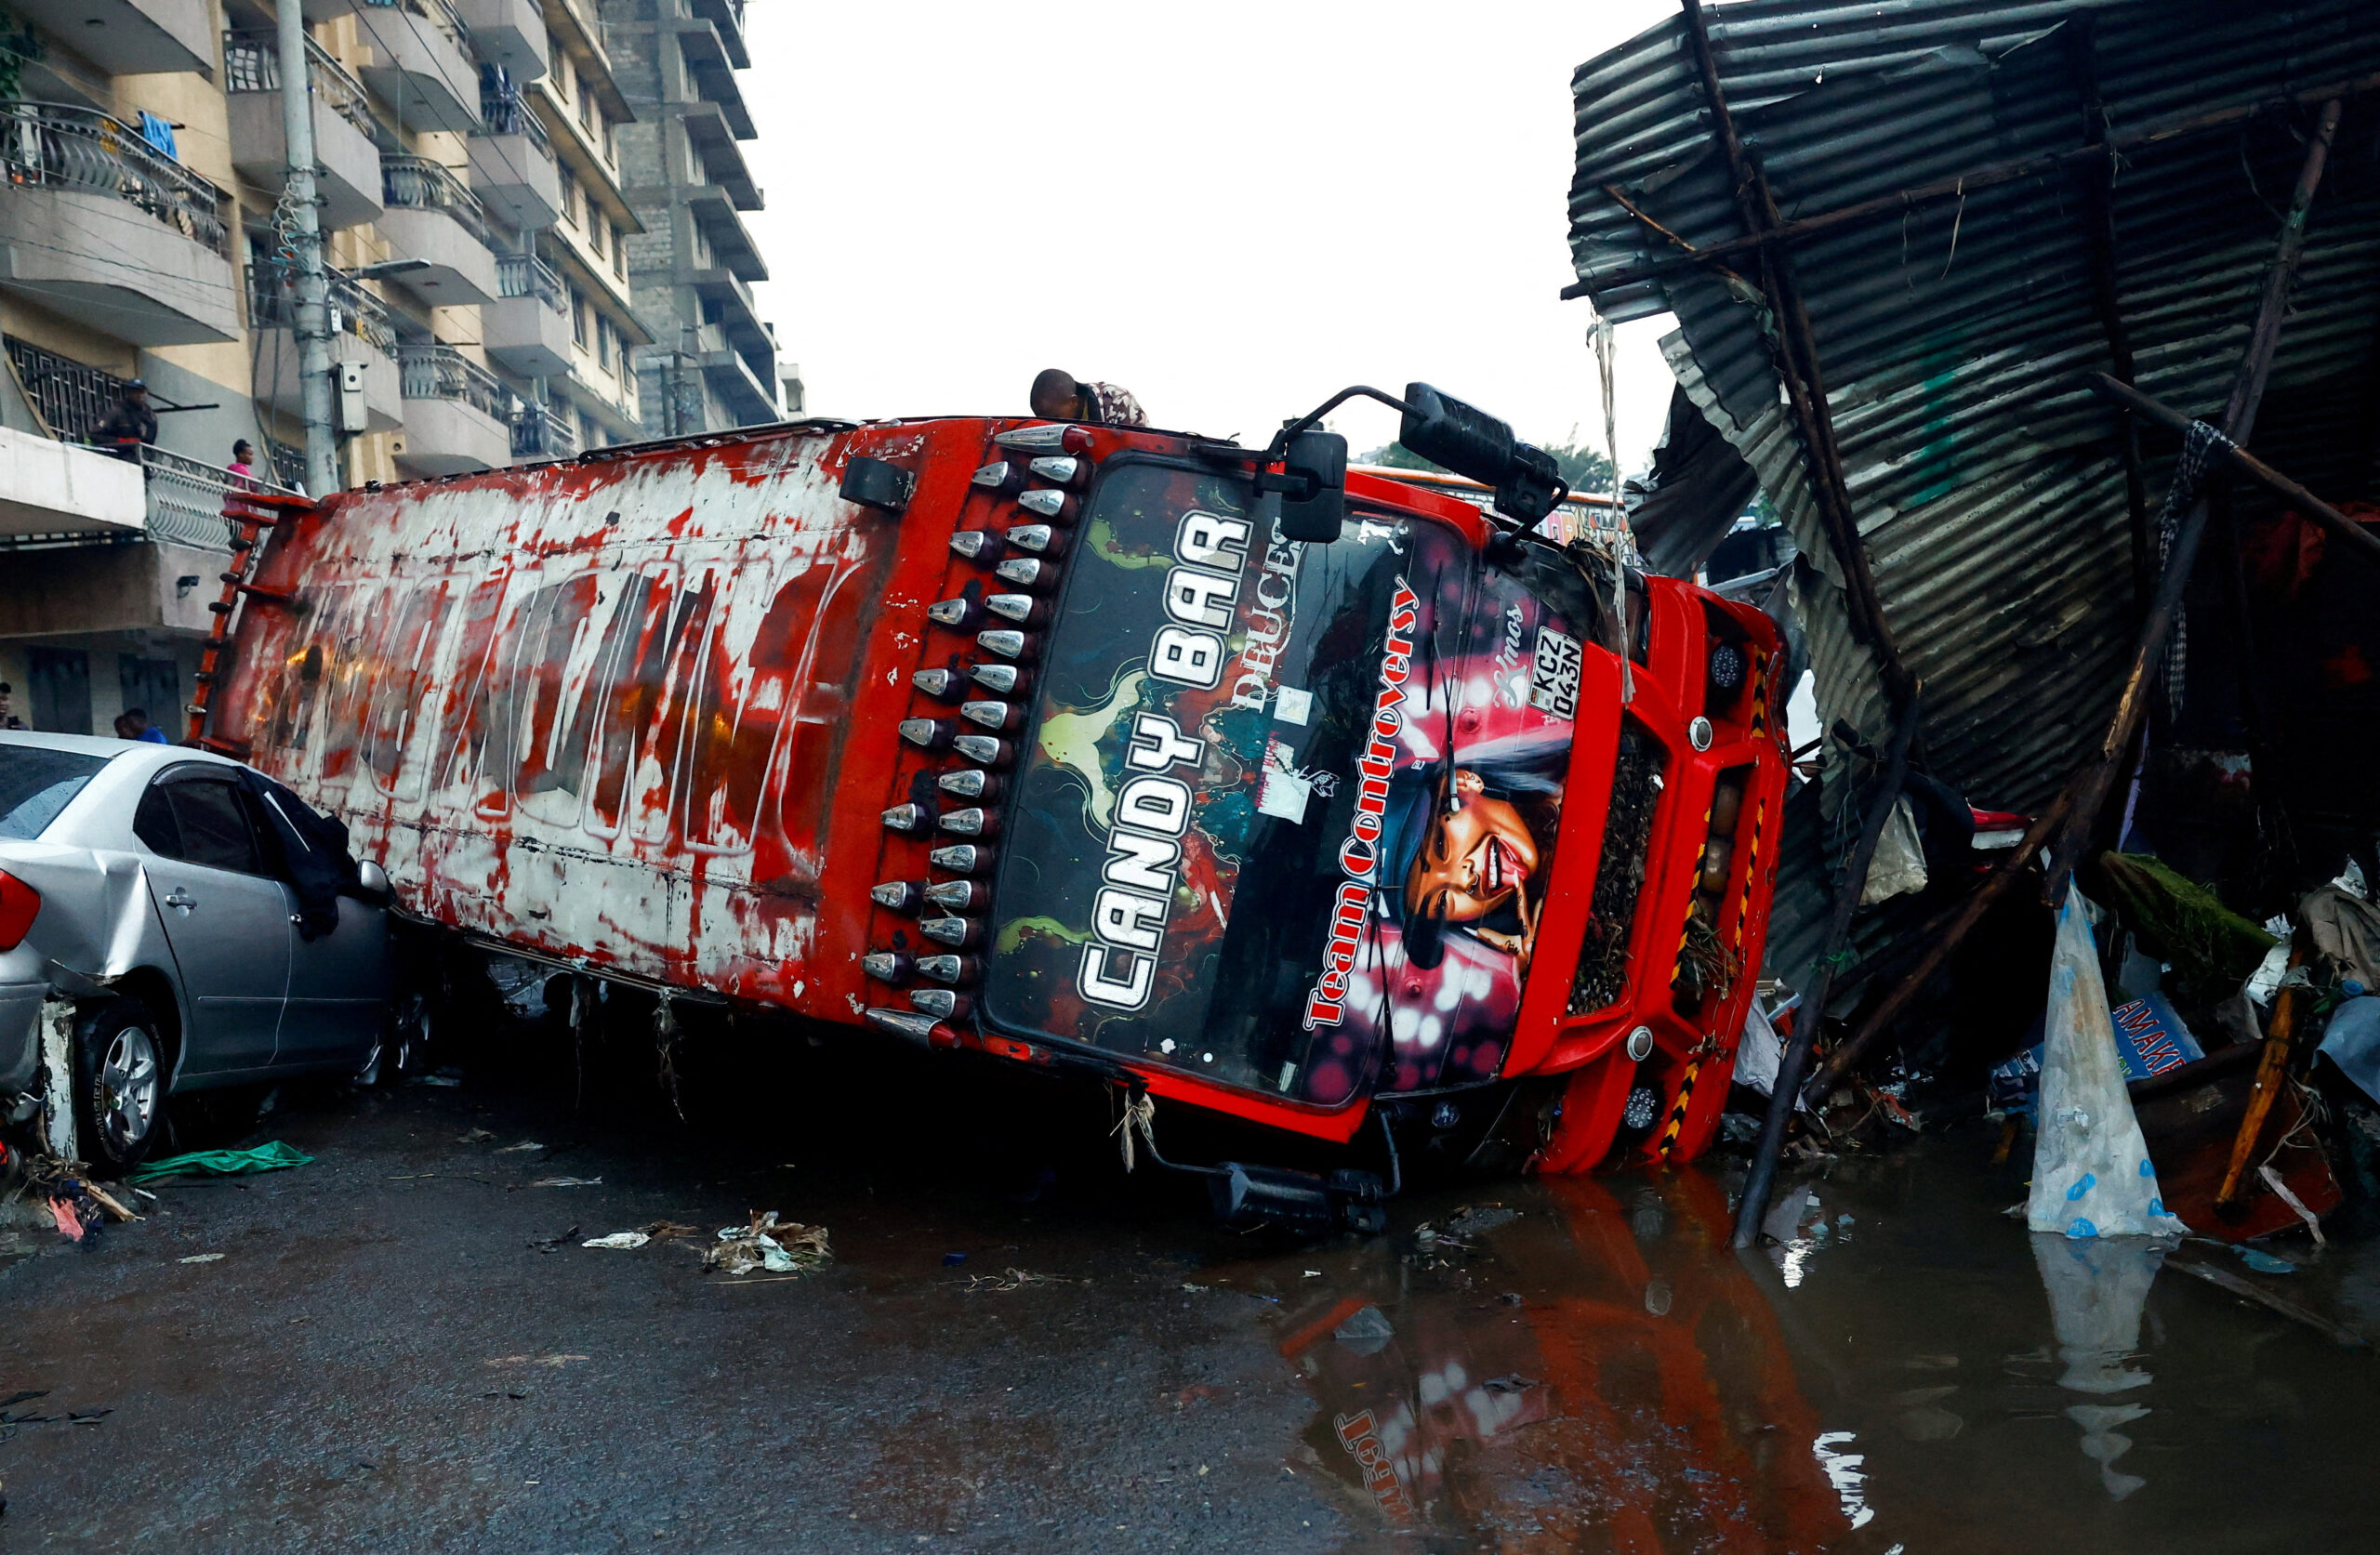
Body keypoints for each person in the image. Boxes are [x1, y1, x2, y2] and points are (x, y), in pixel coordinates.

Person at [1029, 368, 1145, 428]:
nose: (1050, 424)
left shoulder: (1117, 401)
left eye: (1055, 417)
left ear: (1073, 402)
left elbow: (1139, 451)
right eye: (1042, 420)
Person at [97, 378, 158, 459]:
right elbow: (96, 435)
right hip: (120, 458)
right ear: (128, 393)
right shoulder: (117, 412)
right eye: (134, 391)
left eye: (141, 391)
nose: (139, 395)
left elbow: (149, 442)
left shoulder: (150, 416)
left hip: (142, 460)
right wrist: (122, 441)